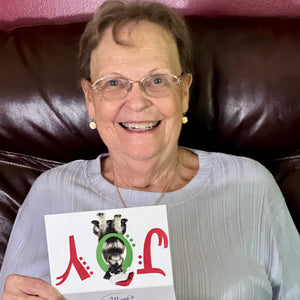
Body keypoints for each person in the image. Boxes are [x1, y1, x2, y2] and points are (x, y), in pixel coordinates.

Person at [1, 0, 300, 299]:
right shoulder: (50, 194)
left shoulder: (250, 186)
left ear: (183, 92)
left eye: (157, 80)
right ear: (90, 100)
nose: (137, 102)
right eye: (114, 82)